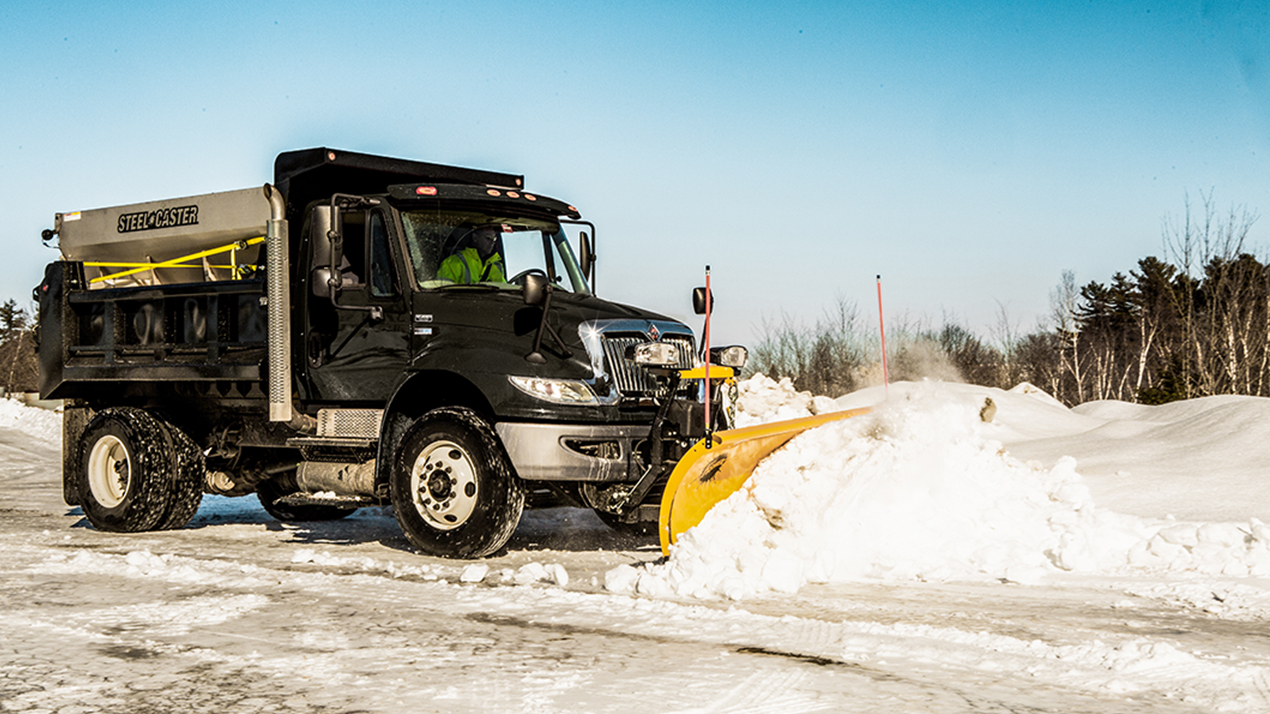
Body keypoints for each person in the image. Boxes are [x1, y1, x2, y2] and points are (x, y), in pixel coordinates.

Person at [438, 224, 506, 284]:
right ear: (475, 238)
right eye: (488, 238)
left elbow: (503, 291)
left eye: (494, 239)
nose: (492, 243)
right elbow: (443, 293)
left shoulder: (497, 266)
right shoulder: (453, 263)